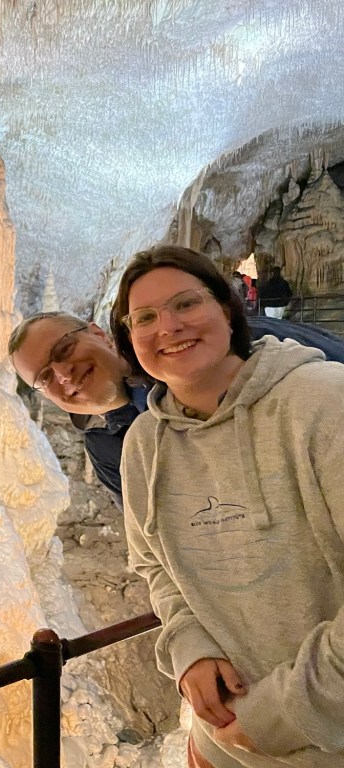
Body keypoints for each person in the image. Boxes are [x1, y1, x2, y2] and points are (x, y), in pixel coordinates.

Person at [111, 244, 344, 767]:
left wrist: (286, 712)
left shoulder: (326, 402)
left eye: (186, 303)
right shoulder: (143, 444)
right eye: (144, 317)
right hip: (225, 748)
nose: (168, 326)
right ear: (129, 340)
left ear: (227, 308)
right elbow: (154, 566)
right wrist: (189, 646)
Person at [7, 300, 344, 509]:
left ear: (98, 334)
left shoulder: (227, 346)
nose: (63, 373)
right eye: (45, 377)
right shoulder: (107, 448)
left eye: (65, 349)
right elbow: (153, 541)